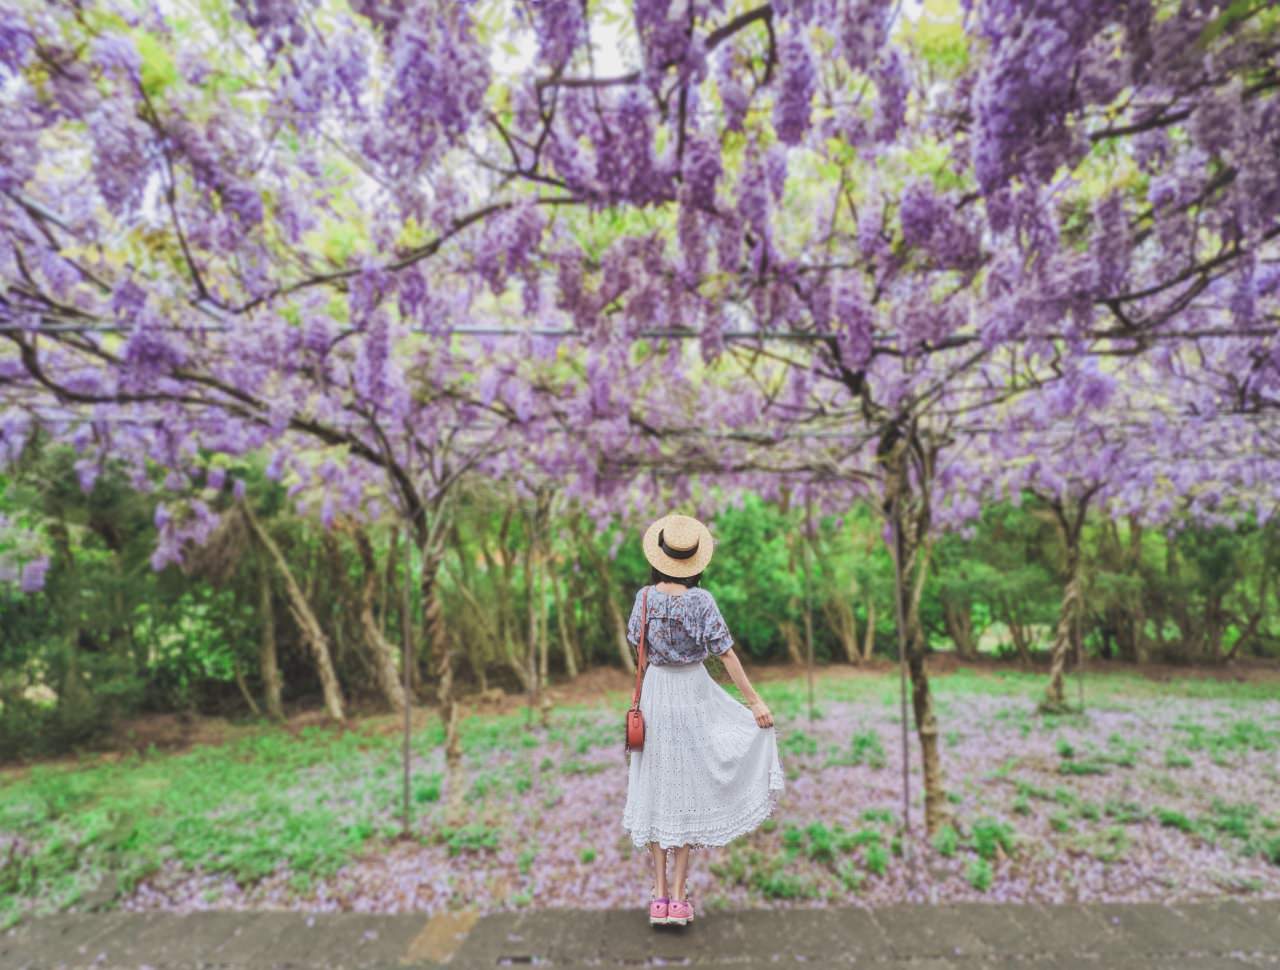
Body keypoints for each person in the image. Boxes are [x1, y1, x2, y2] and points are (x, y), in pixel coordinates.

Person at [620, 513, 785, 928]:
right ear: (695, 562)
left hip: (656, 693)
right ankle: (679, 896)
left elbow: (634, 646)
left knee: (657, 788)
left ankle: (657, 896)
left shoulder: (644, 598)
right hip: (692, 693)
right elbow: (725, 654)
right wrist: (755, 703)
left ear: (659, 558)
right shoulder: (702, 601)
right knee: (688, 785)